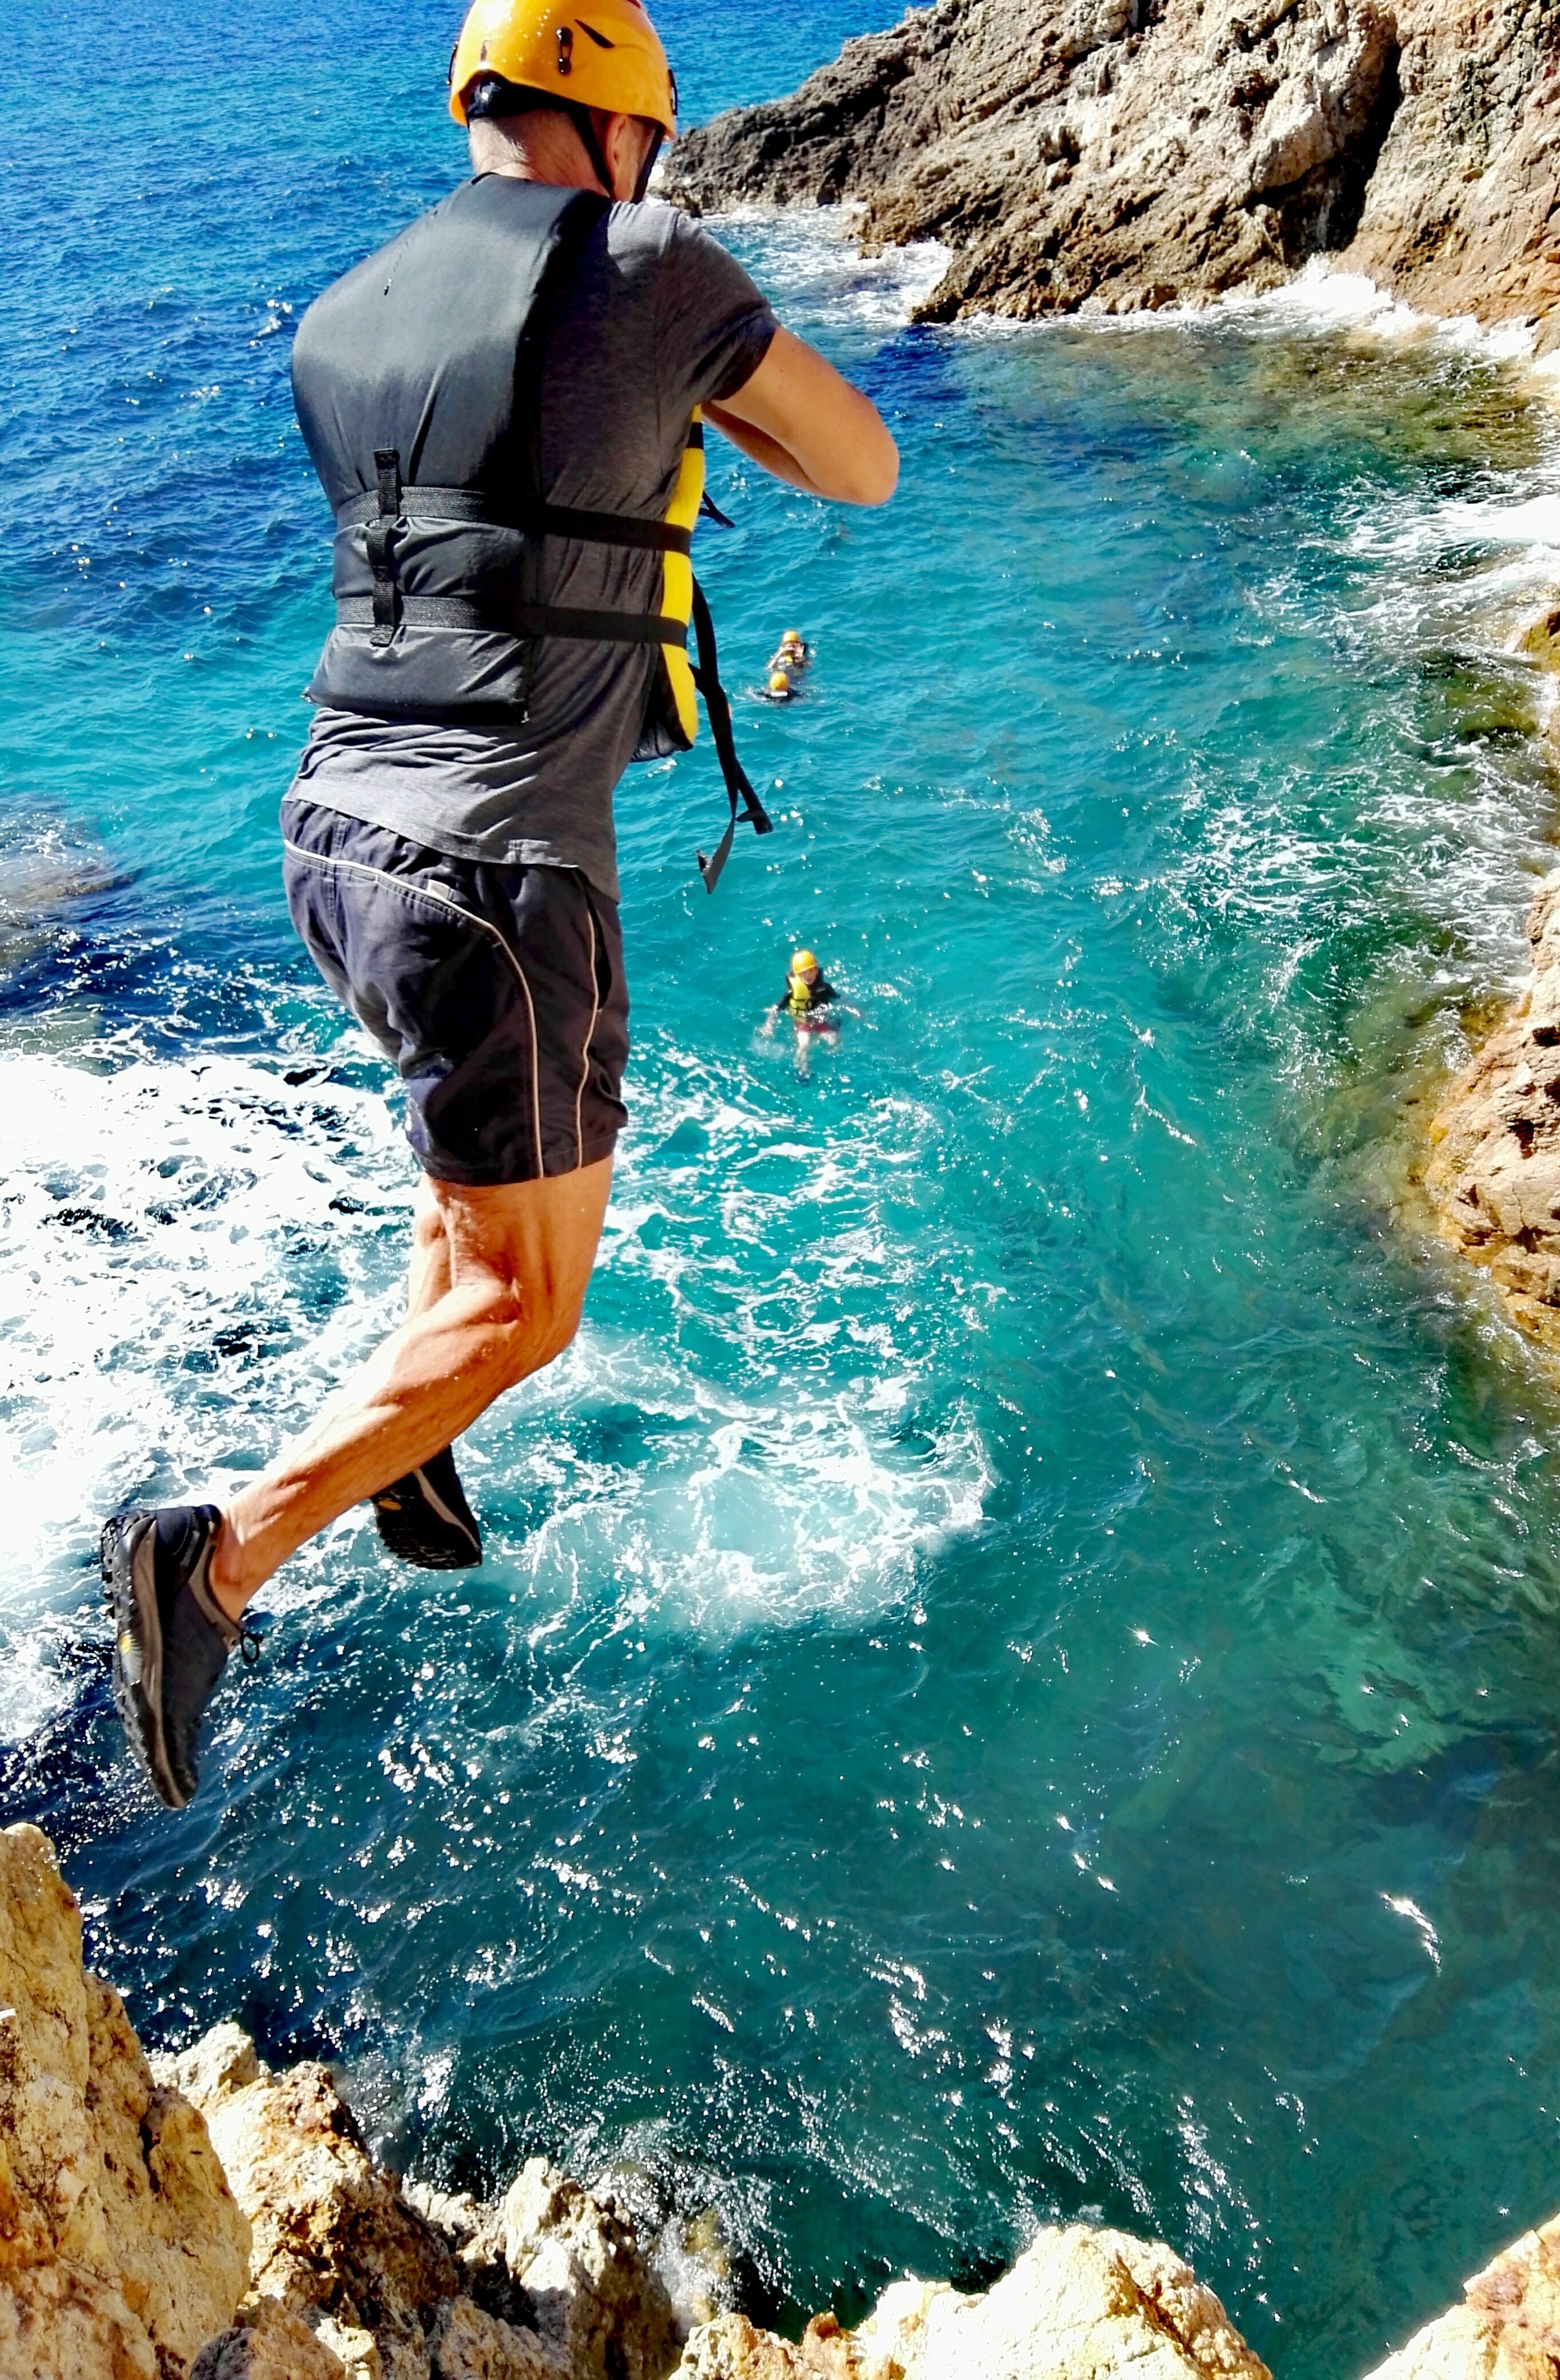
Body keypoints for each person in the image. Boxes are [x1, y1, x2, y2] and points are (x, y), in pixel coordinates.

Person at [101, 0, 898, 1812]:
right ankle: (208, 1562)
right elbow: (863, 461)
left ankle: (411, 1448)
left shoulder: (341, 313)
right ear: (619, 121)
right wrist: (708, 376)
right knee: (531, 1307)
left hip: (330, 830)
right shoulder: (651, 260)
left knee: (470, 1222)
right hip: (497, 864)